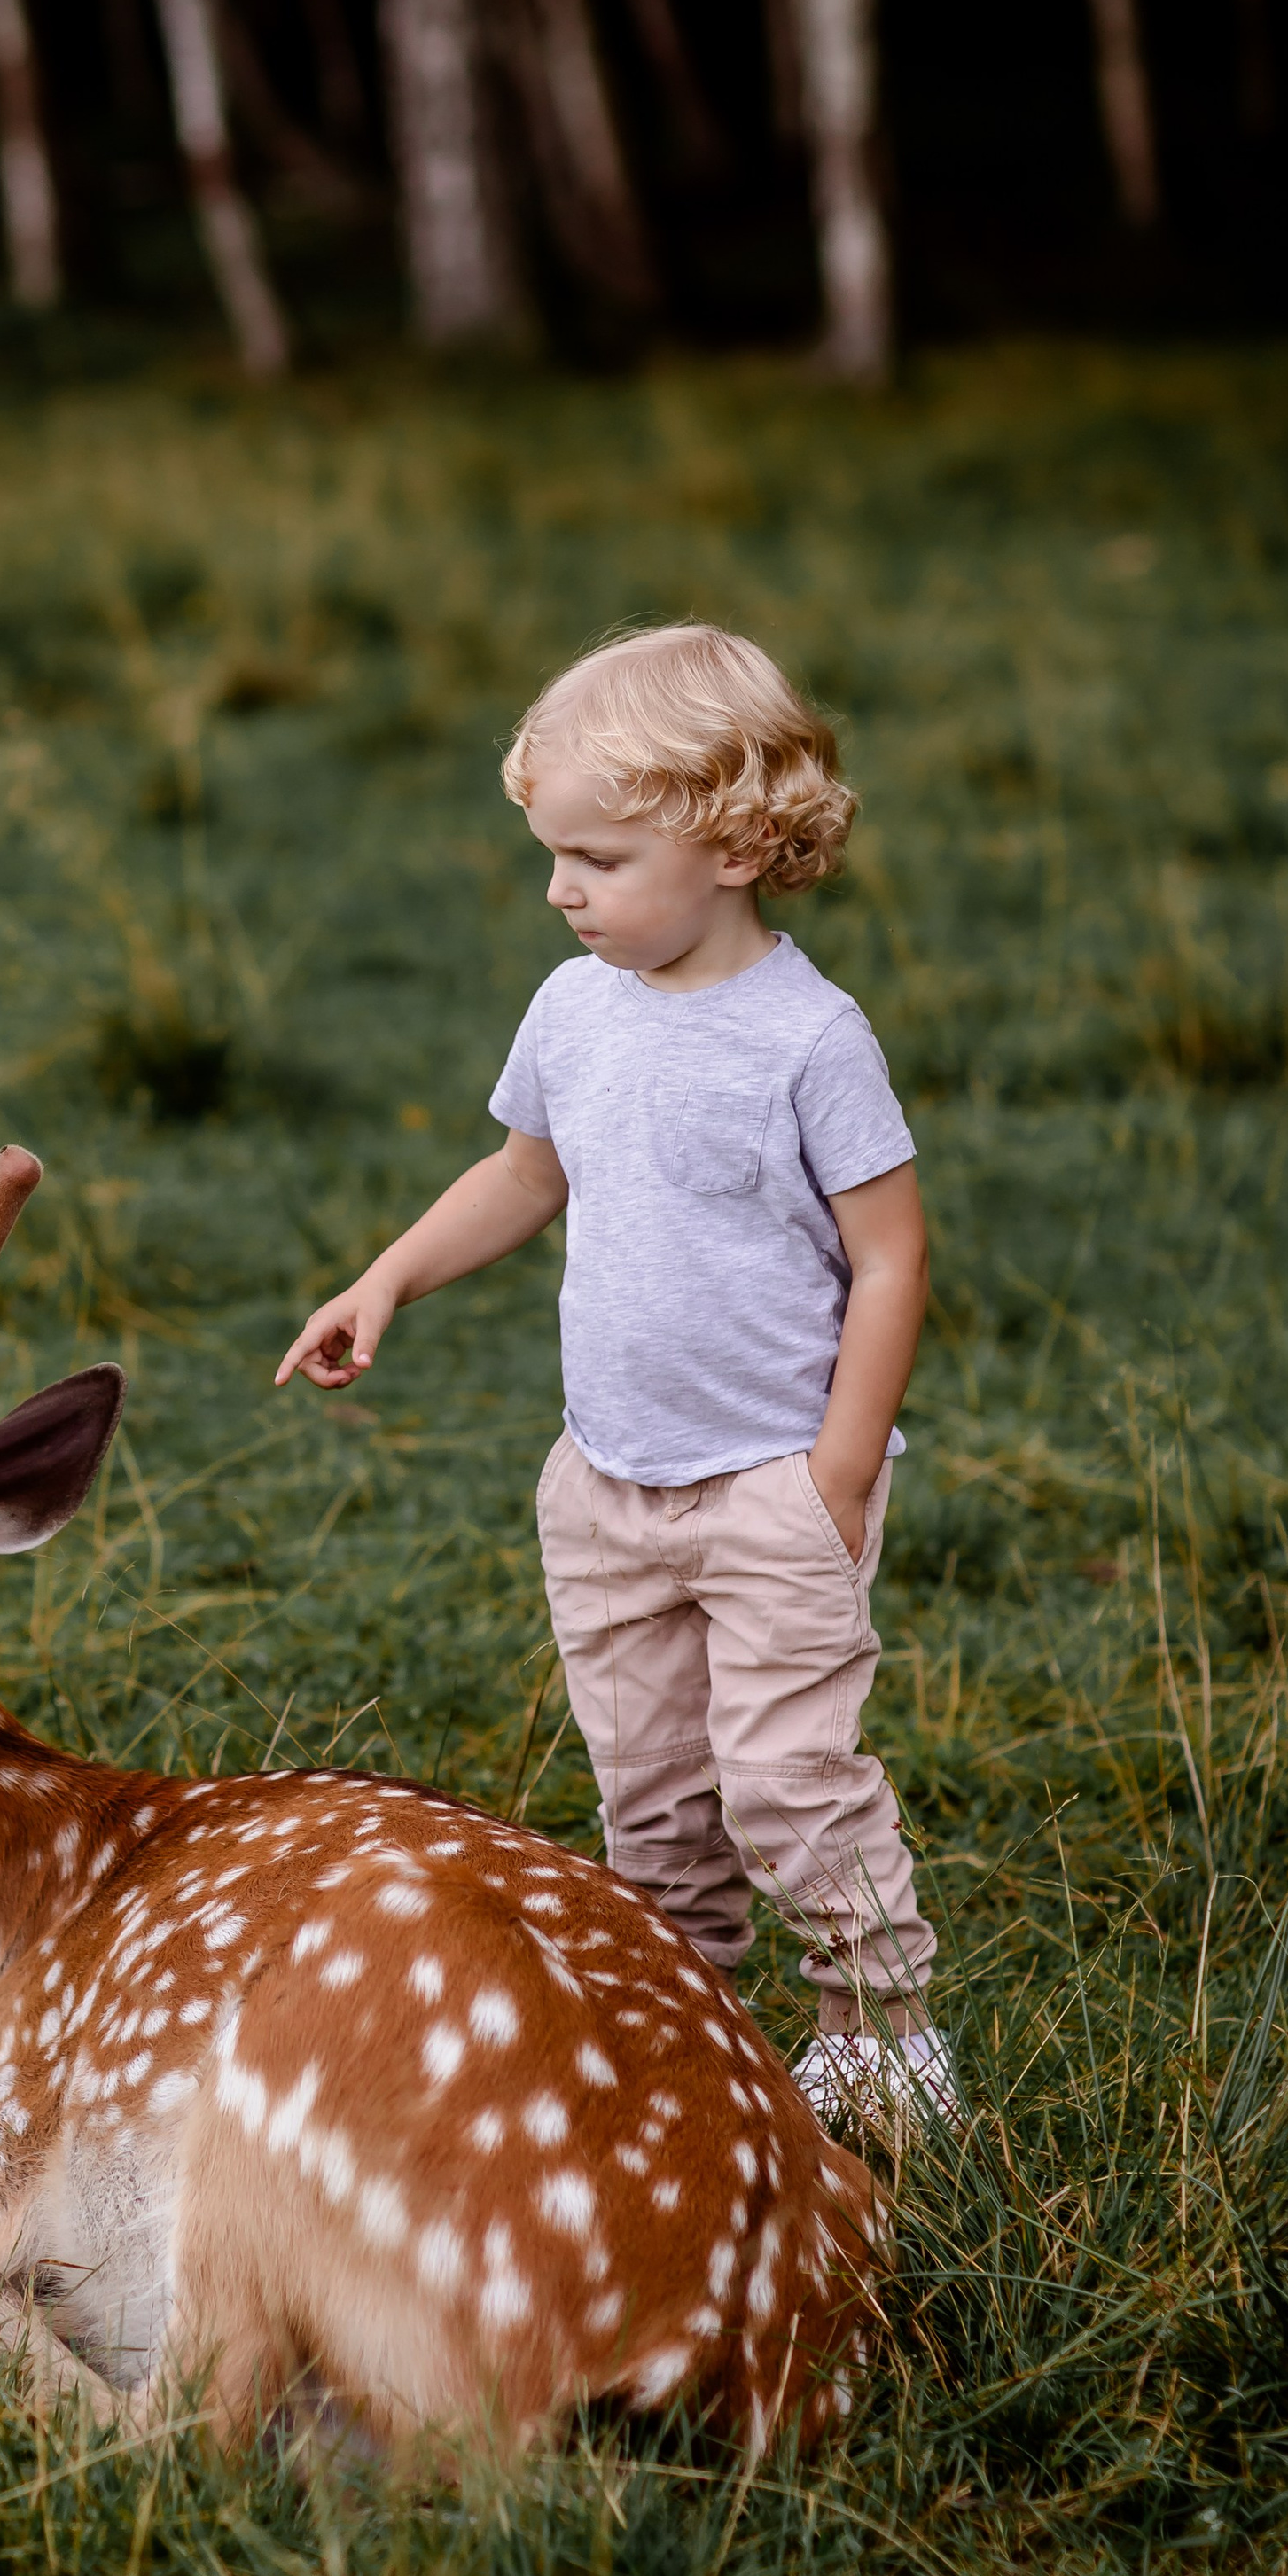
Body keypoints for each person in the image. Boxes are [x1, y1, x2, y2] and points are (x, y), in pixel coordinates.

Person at [276, 621, 954, 2131]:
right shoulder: (574, 1010)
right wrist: (385, 1277)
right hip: (605, 1487)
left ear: (730, 840)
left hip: (772, 1481)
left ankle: (879, 2028)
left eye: (595, 858)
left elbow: (894, 1258)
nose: (559, 889)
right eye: (551, 854)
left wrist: (835, 1475)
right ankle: (681, 2024)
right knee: (649, 1797)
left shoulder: (808, 1042)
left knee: (785, 1779)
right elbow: (526, 1177)